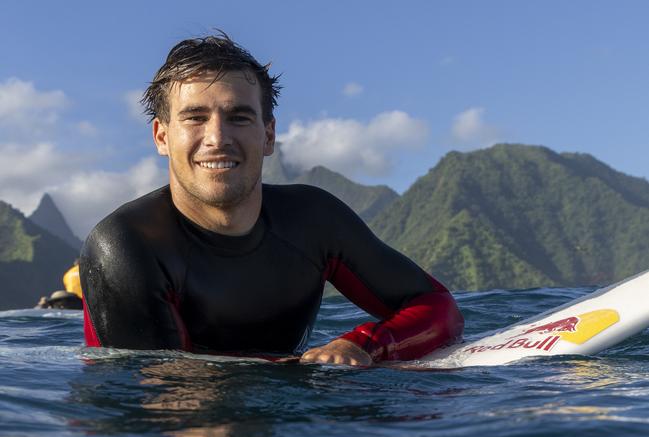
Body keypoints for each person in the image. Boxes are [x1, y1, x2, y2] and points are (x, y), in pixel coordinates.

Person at [80, 32, 464, 365]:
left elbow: (439, 308)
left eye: (239, 117)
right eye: (195, 118)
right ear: (162, 137)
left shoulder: (315, 220)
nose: (217, 138)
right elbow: (162, 397)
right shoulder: (126, 243)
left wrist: (364, 345)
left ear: (268, 135)